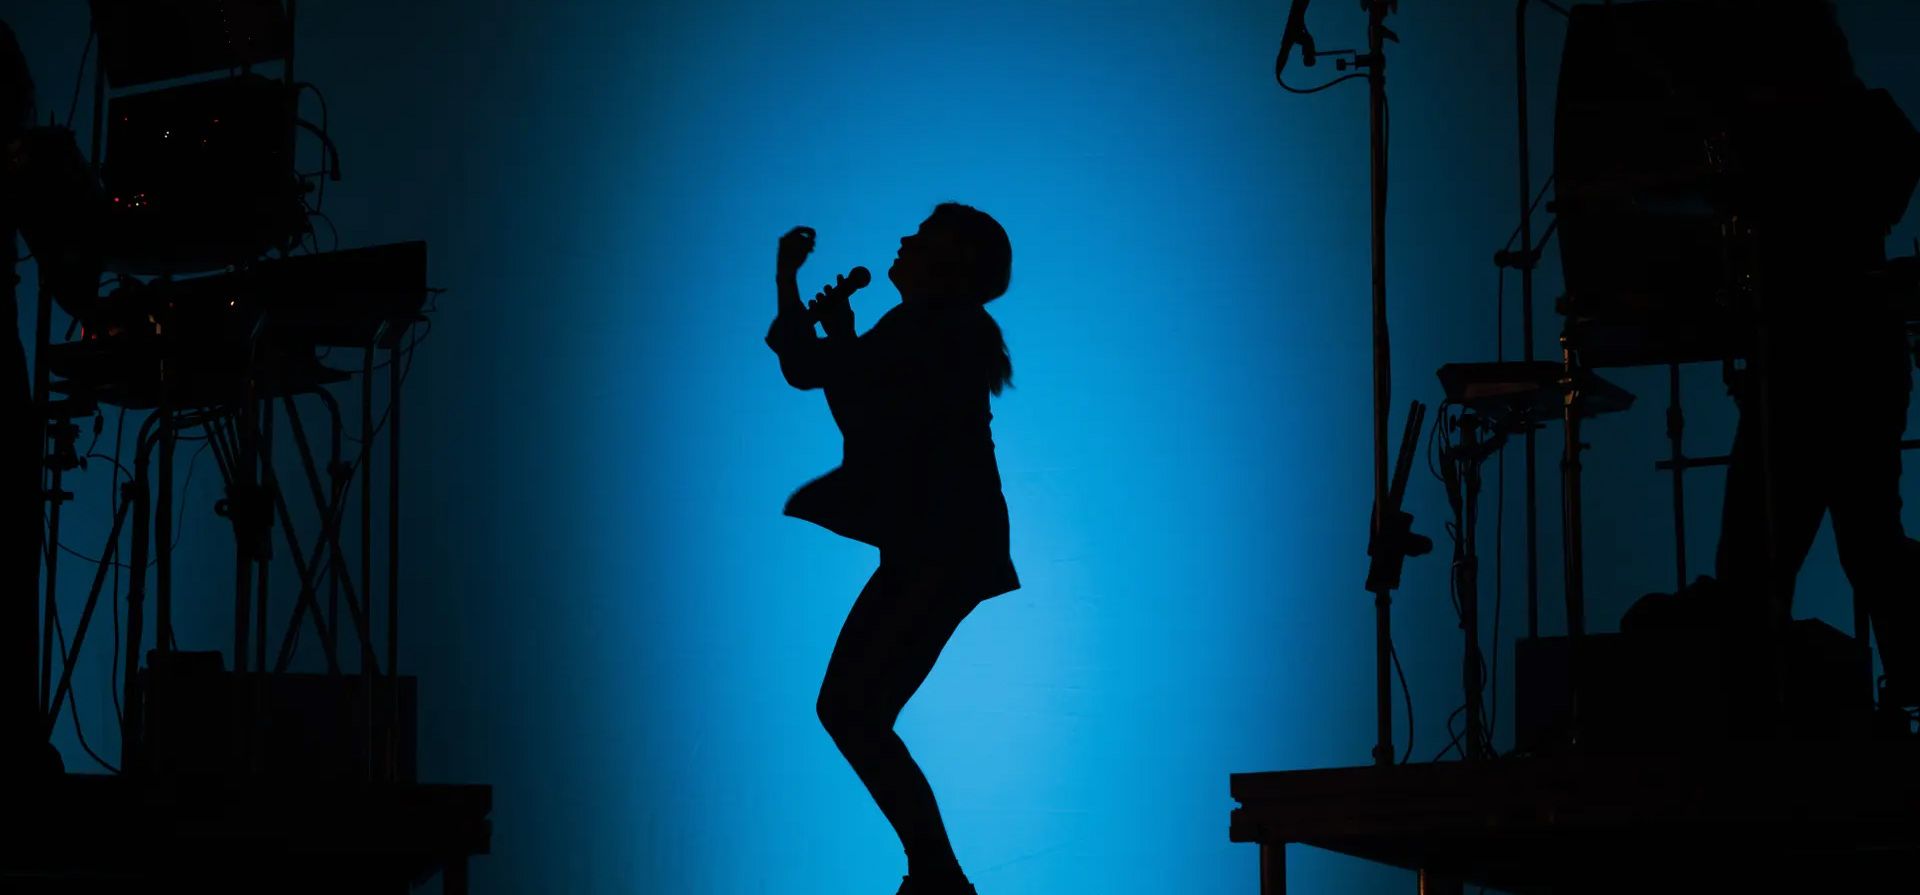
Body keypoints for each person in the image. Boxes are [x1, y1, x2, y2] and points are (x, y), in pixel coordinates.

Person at [766, 203, 1019, 895]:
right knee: (853, 710)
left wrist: (794, 288)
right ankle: (937, 873)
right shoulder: (929, 326)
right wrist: (830, 325)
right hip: (938, 550)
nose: (904, 240)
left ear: (949, 260)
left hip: (941, 550)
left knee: (851, 709)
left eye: (922, 236)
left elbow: (825, 376)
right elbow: (836, 380)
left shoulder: (937, 326)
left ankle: (938, 875)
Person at [1708, 0, 1920, 712]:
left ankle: (1759, 721)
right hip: (1841, 360)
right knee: (1865, 548)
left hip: (1814, 365)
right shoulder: (1867, 124)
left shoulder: (1846, 128)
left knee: (1781, 557)